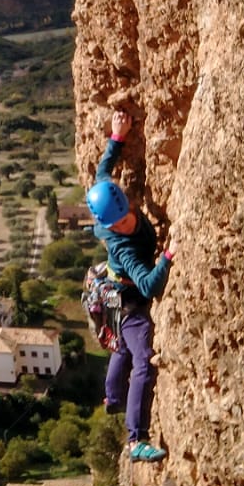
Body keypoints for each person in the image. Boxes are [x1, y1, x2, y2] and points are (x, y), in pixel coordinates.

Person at [85, 107, 172, 464]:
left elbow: (104, 172)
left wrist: (117, 137)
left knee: (122, 348)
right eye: (118, 223)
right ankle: (137, 439)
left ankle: (112, 398)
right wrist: (167, 257)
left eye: (125, 218)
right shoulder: (123, 246)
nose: (123, 225)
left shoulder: (109, 197)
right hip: (131, 304)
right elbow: (149, 286)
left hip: (115, 295)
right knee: (142, 362)